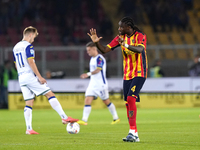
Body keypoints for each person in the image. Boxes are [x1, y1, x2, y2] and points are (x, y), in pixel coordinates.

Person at [87, 16, 147, 142]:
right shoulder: (119, 38)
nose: (119, 28)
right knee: (128, 103)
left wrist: (125, 44)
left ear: (129, 27)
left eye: (121, 26)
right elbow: (104, 50)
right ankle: (134, 134)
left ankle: (132, 131)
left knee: (131, 98)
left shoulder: (140, 36)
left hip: (139, 72)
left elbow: (140, 49)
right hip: (127, 74)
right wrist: (97, 42)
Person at [12, 26, 79, 135]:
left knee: (29, 102)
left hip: (21, 77)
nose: (33, 39)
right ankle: (64, 117)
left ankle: (29, 129)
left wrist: (21, 74)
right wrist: (39, 76)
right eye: (34, 37)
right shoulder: (28, 46)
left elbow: (16, 64)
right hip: (29, 76)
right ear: (30, 34)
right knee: (50, 94)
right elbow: (31, 62)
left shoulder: (15, 47)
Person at [77, 42, 120, 125]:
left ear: (94, 49)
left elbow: (98, 69)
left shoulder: (99, 58)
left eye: (89, 50)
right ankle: (84, 120)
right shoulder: (92, 59)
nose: (88, 52)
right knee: (87, 100)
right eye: (87, 50)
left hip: (101, 85)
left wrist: (87, 74)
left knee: (106, 101)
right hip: (92, 84)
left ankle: (116, 118)